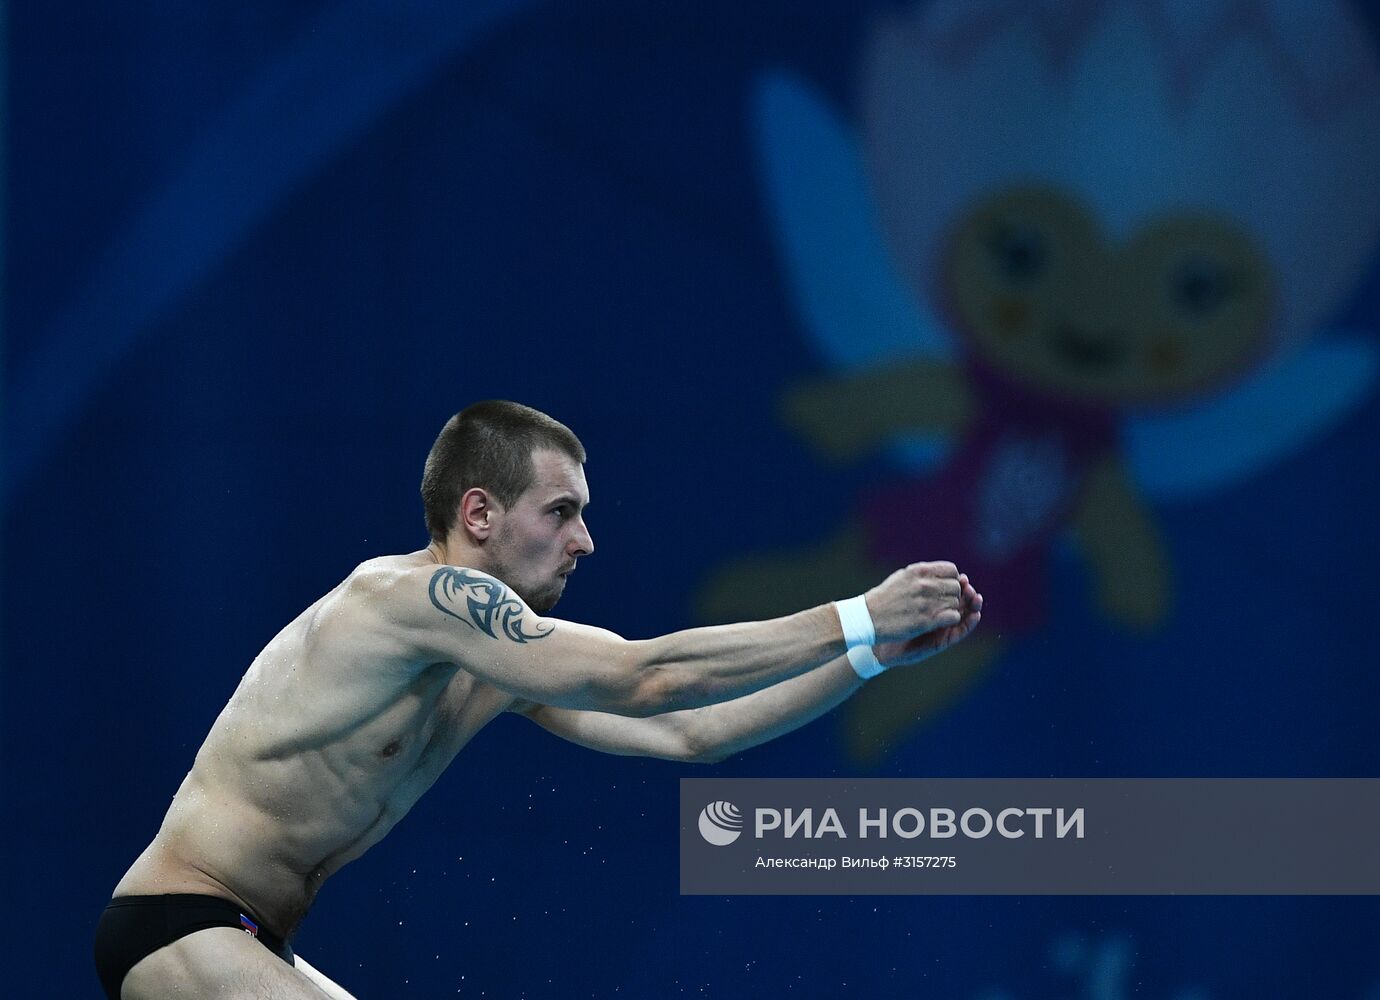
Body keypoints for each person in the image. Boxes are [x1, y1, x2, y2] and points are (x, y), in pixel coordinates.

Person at [94, 400, 983, 999]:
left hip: (256, 938)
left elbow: (688, 732)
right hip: (180, 920)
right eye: (560, 512)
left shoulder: (491, 663)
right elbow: (647, 675)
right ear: (479, 514)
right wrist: (856, 612)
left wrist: (867, 657)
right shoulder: (405, 602)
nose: (584, 540)